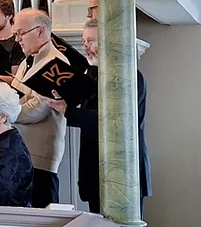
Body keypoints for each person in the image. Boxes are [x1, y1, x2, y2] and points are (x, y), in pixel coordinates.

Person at [48, 18, 152, 214]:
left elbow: (115, 122)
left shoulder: (129, 76)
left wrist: (67, 110)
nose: (86, 47)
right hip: (94, 171)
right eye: (84, 41)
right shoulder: (92, 74)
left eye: (91, 41)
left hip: (122, 173)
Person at [1, 8, 68, 208]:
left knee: (42, 213)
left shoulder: (55, 63)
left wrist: (2, 114)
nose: (18, 39)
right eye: (16, 34)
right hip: (23, 150)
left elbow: (37, 110)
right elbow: (16, 98)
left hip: (40, 156)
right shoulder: (26, 61)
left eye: (21, 33)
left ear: (40, 31)